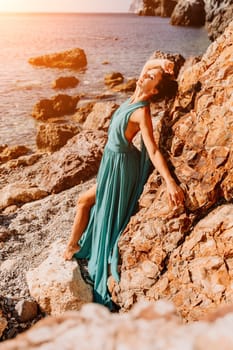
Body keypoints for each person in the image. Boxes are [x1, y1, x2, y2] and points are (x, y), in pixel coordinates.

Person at [63, 58, 184, 309]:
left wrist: (170, 182)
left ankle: (73, 246)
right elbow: (148, 65)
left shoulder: (141, 110)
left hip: (121, 167)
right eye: (147, 73)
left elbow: (152, 151)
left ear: (154, 91)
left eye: (151, 77)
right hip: (111, 162)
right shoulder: (137, 92)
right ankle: (76, 245)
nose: (145, 75)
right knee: (89, 203)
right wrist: (161, 63)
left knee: (84, 201)